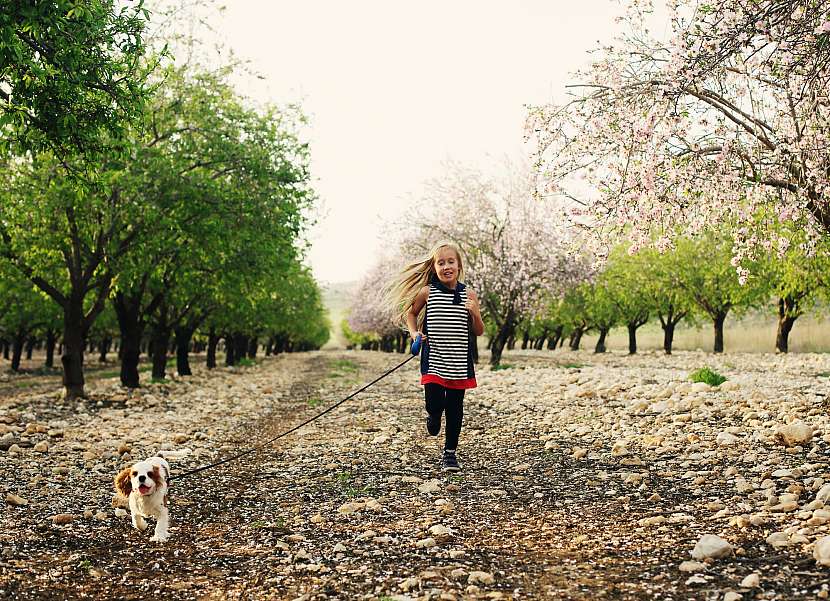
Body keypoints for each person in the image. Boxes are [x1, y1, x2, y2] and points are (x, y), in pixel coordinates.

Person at [388, 242, 485, 472]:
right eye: (440, 263)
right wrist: (414, 333)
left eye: (451, 261)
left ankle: (450, 454)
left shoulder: (469, 295)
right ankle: (433, 414)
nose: (446, 266)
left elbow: (479, 330)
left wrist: (475, 313)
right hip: (434, 357)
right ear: (434, 267)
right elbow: (411, 313)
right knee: (434, 401)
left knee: (455, 407)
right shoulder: (427, 292)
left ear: (459, 266)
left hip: (459, 361)